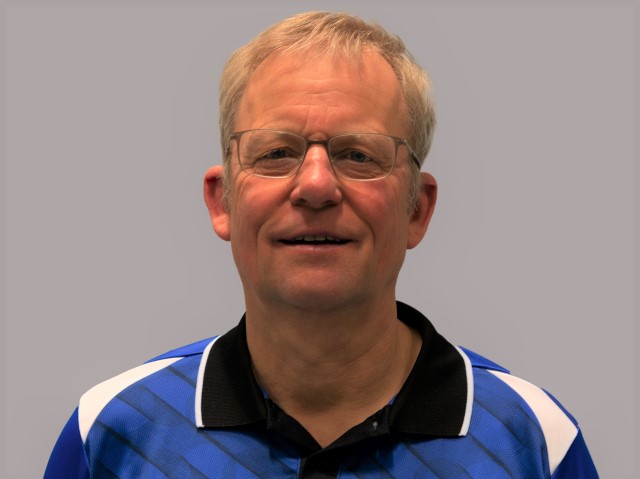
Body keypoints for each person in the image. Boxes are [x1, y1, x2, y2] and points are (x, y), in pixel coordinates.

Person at [44, 11, 598, 478]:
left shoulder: (533, 441)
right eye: (275, 153)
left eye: (359, 154)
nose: (315, 186)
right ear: (222, 202)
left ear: (417, 209)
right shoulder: (115, 433)